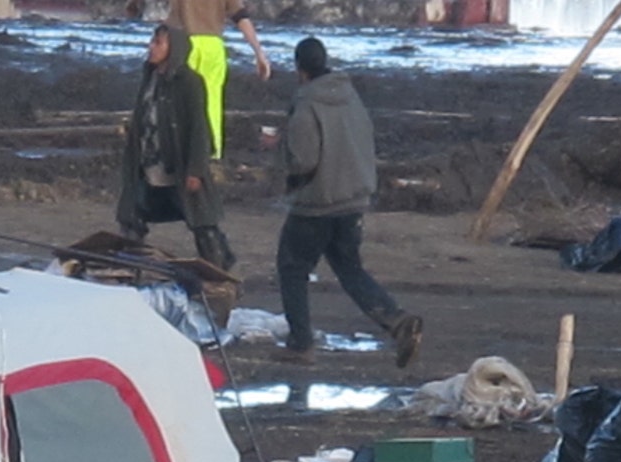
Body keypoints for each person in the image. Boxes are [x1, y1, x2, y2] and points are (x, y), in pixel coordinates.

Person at [274, 37, 423, 367]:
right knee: (349, 268)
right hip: (353, 200)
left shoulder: (306, 103)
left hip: (316, 203)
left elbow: (303, 160)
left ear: (299, 69)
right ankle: (396, 319)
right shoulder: (350, 96)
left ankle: (301, 343)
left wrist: (281, 149)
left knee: (292, 268)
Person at [116, 24, 234, 271]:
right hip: (149, 164)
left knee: (202, 222)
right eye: (152, 42)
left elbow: (199, 128)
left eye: (158, 43)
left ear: (174, 48)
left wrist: (196, 169)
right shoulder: (150, 78)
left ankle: (218, 269)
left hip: (178, 166)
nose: (152, 47)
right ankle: (128, 269)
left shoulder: (190, 82)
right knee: (132, 215)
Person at [135, 0, 271, 160]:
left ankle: (180, 152)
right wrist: (258, 53)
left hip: (184, 43)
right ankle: (211, 153)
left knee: (178, 101)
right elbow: (240, 16)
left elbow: (163, 14)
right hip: (213, 46)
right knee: (212, 102)